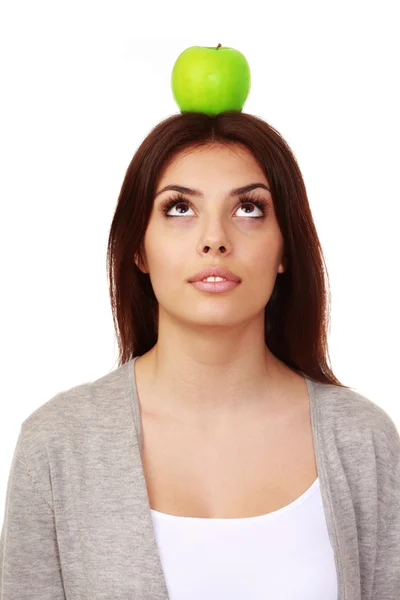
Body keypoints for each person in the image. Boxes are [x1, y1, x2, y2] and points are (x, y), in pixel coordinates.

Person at [1, 111, 399, 600]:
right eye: (179, 208)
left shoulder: (363, 440)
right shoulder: (57, 443)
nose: (215, 240)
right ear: (138, 249)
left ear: (284, 250)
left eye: (249, 209)